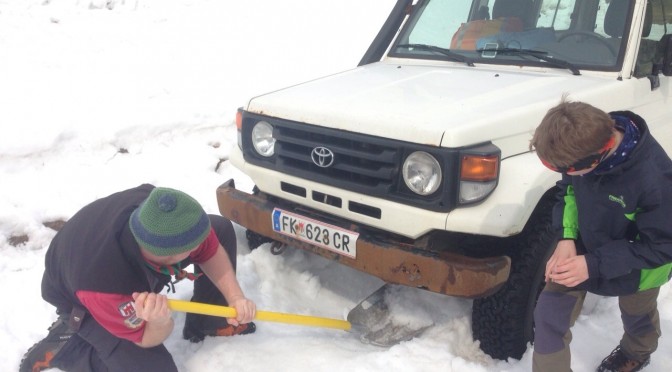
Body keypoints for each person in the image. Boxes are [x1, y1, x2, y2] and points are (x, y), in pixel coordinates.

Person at [20, 184, 257, 372]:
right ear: (169, 254)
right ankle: (70, 349)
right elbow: (145, 338)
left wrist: (235, 297)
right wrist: (160, 321)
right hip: (81, 299)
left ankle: (208, 322)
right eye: (195, 245)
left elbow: (210, 248)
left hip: (103, 256)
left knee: (220, 228)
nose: (204, 244)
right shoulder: (107, 286)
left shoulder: (155, 210)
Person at [529, 98, 672, 372]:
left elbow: (663, 246)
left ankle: (637, 351)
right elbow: (568, 191)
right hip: (584, 246)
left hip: (641, 266)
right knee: (549, 314)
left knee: (636, 314)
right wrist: (567, 237)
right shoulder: (582, 145)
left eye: (565, 169)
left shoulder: (656, 180)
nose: (563, 174)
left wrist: (592, 264)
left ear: (599, 156)